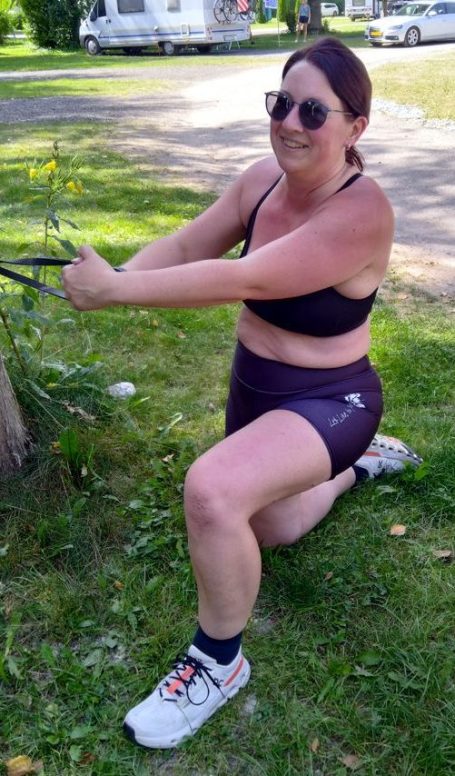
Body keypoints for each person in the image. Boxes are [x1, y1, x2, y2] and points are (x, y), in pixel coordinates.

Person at [62, 38, 422, 749]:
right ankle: (354, 470)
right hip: (256, 391)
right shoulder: (260, 182)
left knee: (213, 491)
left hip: (331, 400)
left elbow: (243, 278)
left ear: (355, 126)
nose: (289, 122)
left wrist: (116, 292)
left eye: (313, 111)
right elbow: (187, 247)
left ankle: (216, 664)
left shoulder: (361, 212)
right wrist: (117, 278)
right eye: (281, 103)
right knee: (268, 529)